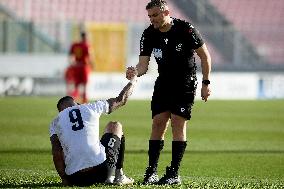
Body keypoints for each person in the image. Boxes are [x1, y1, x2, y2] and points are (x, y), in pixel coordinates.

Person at [126, 0, 211, 185]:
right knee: (157, 124)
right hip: (163, 83)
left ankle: (173, 173)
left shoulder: (185, 29)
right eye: (149, 16)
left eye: (155, 15)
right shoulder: (148, 34)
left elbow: (205, 56)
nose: (152, 19)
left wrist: (206, 83)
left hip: (185, 83)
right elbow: (143, 65)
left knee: (177, 126)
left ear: (166, 12)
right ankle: (152, 171)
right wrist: (135, 72)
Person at [49, 75, 137, 186]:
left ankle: (109, 175)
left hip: (75, 178)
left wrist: (65, 180)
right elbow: (121, 100)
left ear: (60, 112)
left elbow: (56, 152)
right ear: (76, 104)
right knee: (115, 125)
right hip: (102, 171)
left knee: (62, 146)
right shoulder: (89, 107)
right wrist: (133, 81)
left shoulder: (55, 123)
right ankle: (119, 176)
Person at [65, 31, 92, 103]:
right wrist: (92, 65)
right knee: (85, 84)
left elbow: (70, 55)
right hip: (83, 67)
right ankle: (84, 100)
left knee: (77, 84)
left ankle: (73, 99)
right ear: (85, 37)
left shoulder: (75, 45)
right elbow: (89, 56)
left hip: (76, 66)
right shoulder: (86, 45)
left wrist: (72, 63)